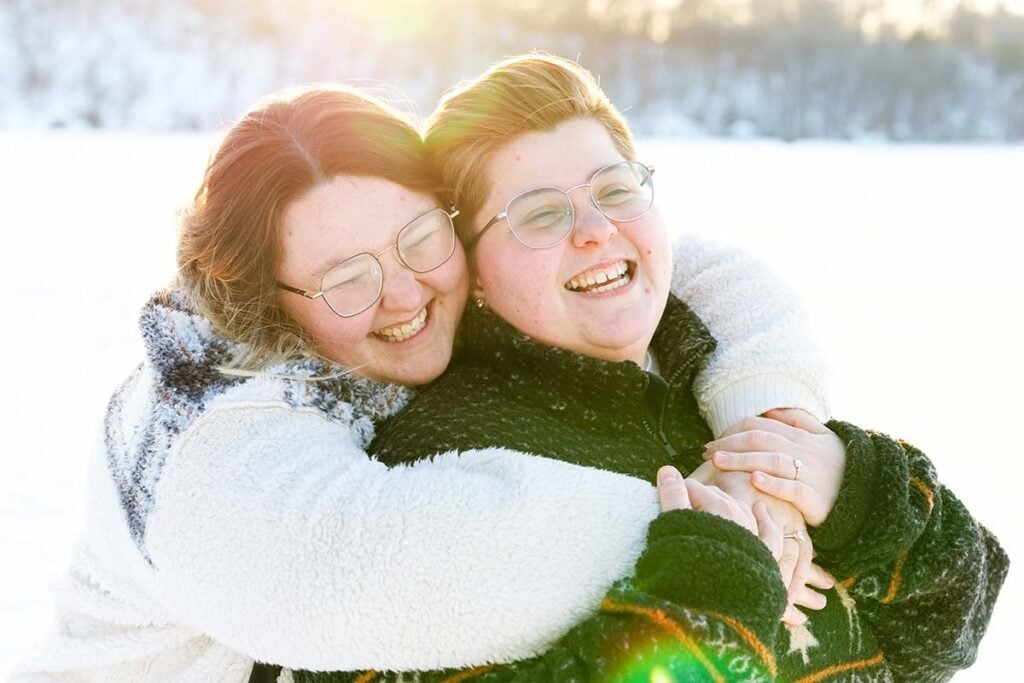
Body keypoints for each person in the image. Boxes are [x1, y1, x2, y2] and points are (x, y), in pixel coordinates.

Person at [12, 84, 834, 682]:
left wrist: (771, 436)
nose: (406, 297)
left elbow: (690, 267)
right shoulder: (206, 446)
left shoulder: (409, 295)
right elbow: (415, 559)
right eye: (348, 281)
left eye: (418, 241)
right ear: (271, 300)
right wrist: (722, 523)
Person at [291, 54, 1009, 682]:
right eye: (541, 215)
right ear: (473, 270)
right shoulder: (444, 463)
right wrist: (708, 598)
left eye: (615, 189)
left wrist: (860, 490)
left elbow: (947, 634)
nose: (597, 229)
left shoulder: (733, 386)